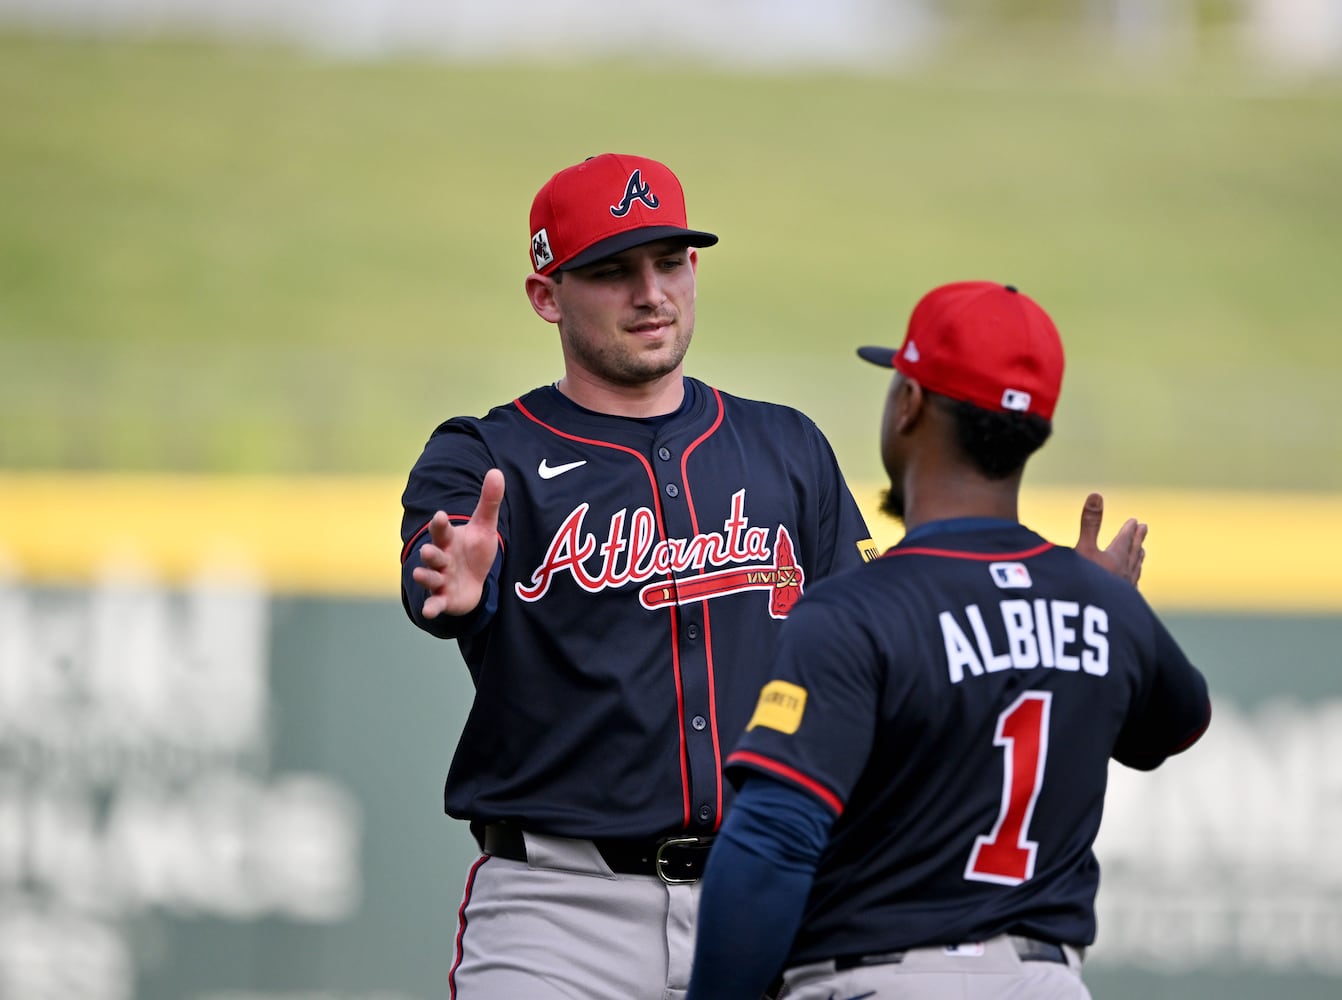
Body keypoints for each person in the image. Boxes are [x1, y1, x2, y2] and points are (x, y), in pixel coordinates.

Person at [399, 154, 1153, 1000]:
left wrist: (1070, 607)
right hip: (557, 909)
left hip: (765, 899)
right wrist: (455, 588)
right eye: (612, 271)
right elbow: (439, 580)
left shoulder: (786, 447)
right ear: (546, 295)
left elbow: (901, 646)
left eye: (670, 261)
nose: (651, 292)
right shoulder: (486, 453)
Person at [684, 281, 1213, 1000]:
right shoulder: (1103, 604)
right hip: (1047, 982)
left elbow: (772, 843)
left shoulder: (854, 610)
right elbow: (1174, 729)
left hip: (886, 979)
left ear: (910, 404)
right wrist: (1108, 604)